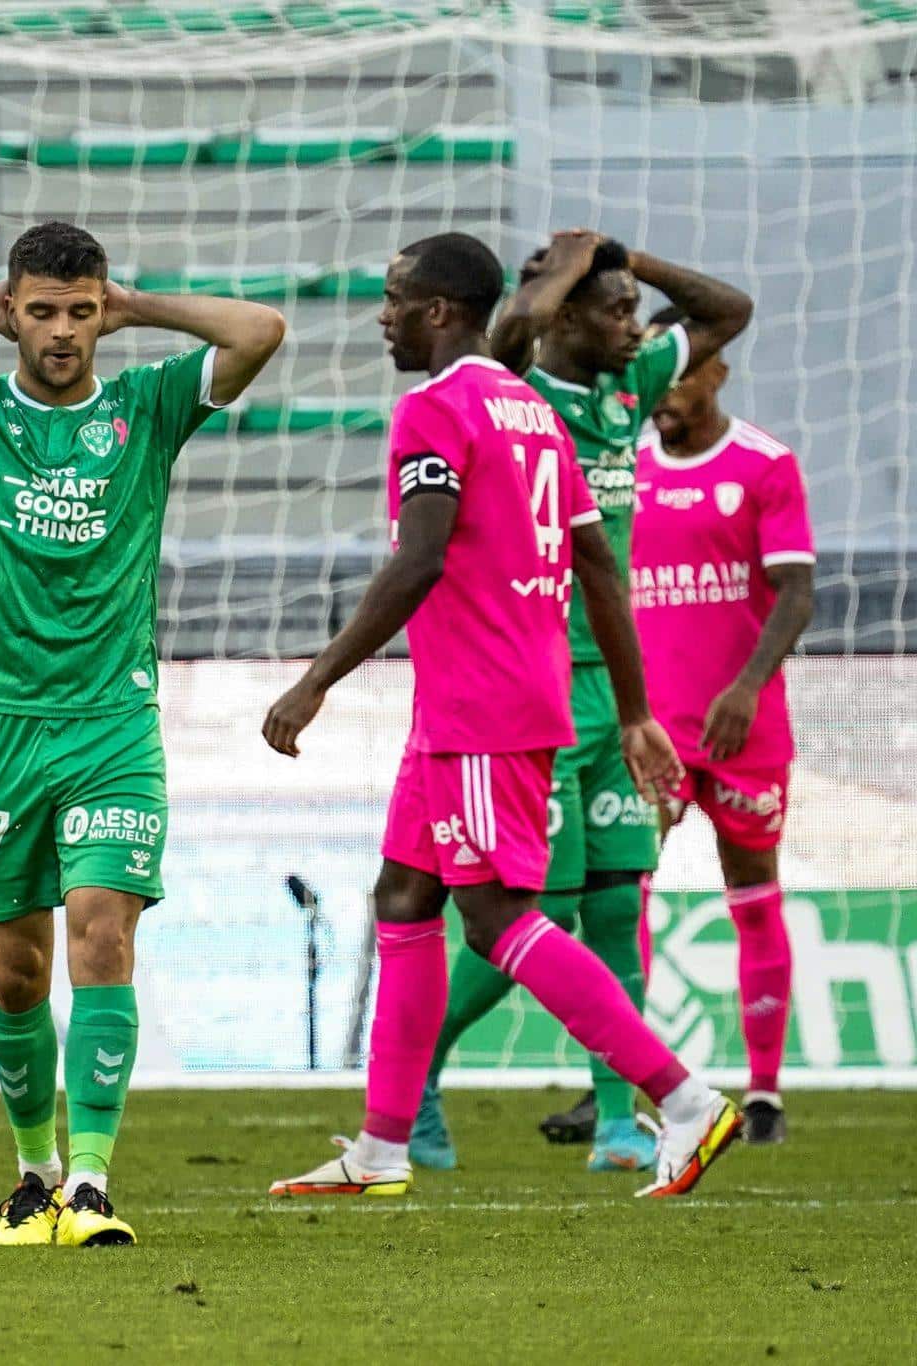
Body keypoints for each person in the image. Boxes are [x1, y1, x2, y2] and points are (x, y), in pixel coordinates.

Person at [0, 220, 287, 1246]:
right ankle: (32, 1171)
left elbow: (258, 329)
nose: (62, 332)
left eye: (80, 312)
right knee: (15, 975)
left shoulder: (145, 406)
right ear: (13, 310)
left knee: (102, 930)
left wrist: (140, 307)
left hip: (110, 721)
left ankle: (90, 1181)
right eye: (41, 310)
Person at [261, 232, 741, 1201]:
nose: (381, 316)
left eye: (394, 298)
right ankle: (381, 1146)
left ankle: (682, 1099)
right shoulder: (532, 412)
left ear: (438, 310)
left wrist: (315, 678)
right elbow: (597, 563)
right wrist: (635, 709)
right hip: (471, 706)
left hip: (481, 705)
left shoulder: (434, 407)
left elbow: (419, 556)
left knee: (497, 921)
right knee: (402, 898)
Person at [413, 232, 754, 1172]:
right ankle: (417, 1080)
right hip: (532, 688)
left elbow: (729, 311)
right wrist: (563, 272)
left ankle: (618, 1122)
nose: (636, 329)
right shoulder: (515, 389)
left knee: (616, 905)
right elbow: (513, 327)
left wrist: (629, 261)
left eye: (635, 312)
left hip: (612, 687)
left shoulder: (626, 386)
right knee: (538, 916)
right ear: (564, 315)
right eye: (614, 313)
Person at [632, 307, 814, 1144]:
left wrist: (745, 687)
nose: (663, 389)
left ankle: (766, 1091)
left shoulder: (765, 464)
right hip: (653, 733)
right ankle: (626, 1085)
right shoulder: (622, 467)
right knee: (622, 893)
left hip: (744, 729)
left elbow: (797, 592)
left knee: (752, 897)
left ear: (717, 373)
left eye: (679, 370)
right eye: (651, 369)